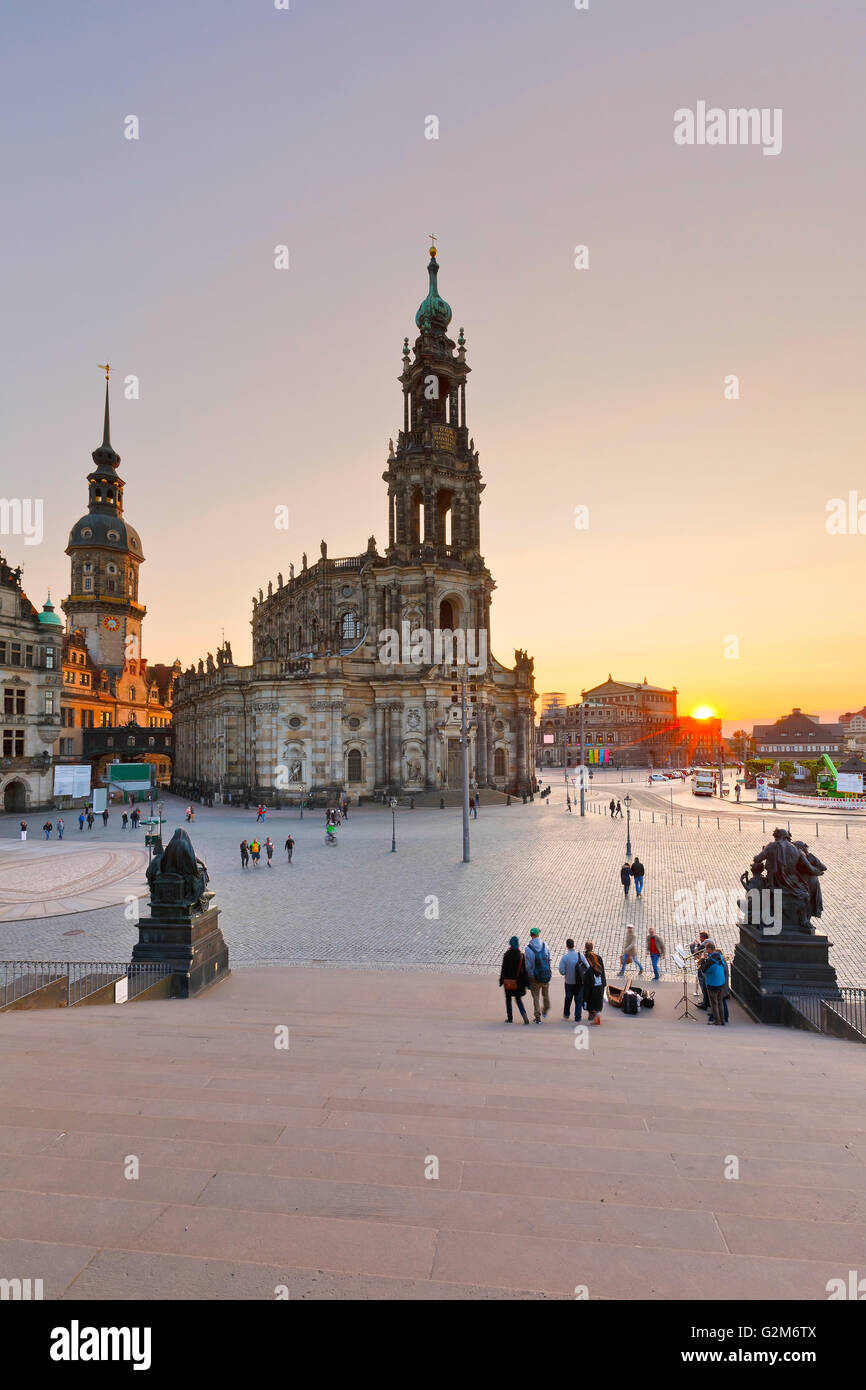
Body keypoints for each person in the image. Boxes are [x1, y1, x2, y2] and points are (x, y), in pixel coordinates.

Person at [524, 926, 552, 1023]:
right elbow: (548, 959)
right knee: (545, 994)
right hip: (545, 975)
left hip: (534, 977)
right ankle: (545, 1009)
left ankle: (538, 1018)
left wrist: (528, 975)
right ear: (538, 934)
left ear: (531, 935)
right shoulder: (545, 945)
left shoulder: (528, 949)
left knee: (535, 997)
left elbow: (528, 966)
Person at [499, 936, 530, 1024]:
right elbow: (525, 971)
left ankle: (510, 1018)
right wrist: (527, 984)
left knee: (508, 999)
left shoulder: (506, 955)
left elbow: (503, 969)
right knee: (518, 1000)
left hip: (508, 983)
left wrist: (501, 981)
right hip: (518, 983)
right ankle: (523, 1014)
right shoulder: (521, 956)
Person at [558, 937, 588, 1022]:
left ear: (567, 946)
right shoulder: (580, 955)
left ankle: (566, 1014)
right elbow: (587, 967)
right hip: (579, 982)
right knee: (578, 1000)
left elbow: (562, 971)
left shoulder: (565, 957)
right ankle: (578, 1017)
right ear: (574, 945)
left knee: (568, 998)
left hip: (569, 982)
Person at [703, 944, 727, 1025]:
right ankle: (722, 1020)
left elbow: (704, 970)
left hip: (713, 983)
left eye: (706, 949)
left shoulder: (710, 960)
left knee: (713, 1003)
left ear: (709, 949)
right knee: (720, 1003)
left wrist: (703, 961)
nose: (706, 951)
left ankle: (716, 1021)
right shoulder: (721, 956)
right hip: (721, 982)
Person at [583, 942, 606, 1025]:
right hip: (599, 984)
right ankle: (595, 1015)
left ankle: (593, 1015)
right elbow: (602, 971)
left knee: (589, 999)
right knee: (597, 1001)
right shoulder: (598, 958)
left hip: (590, 983)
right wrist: (603, 983)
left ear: (585, 947)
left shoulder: (585, 958)